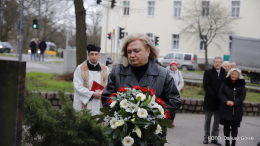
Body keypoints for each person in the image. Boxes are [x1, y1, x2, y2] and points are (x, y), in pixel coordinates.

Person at [101, 33, 182, 145]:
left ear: (148, 51)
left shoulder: (163, 74)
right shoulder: (117, 72)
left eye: (136, 51)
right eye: (129, 52)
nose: (132, 55)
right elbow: (106, 97)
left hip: (152, 136)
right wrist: (123, 113)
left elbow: (175, 101)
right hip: (123, 136)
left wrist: (150, 113)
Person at [73, 44, 110, 115]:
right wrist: (92, 94)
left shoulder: (105, 69)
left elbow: (109, 84)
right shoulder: (80, 68)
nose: (94, 56)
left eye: (96, 54)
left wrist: (102, 92)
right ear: (88, 55)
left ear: (99, 55)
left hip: (99, 100)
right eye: (92, 54)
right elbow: (77, 86)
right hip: (85, 101)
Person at [203, 56, 226, 146]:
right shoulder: (208, 72)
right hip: (210, 100)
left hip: (220, 101)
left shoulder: (225, 73)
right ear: (213, 63)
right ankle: (206, 137)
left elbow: (226, 86)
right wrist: (213, 95)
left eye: (219, 62)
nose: (217, 63)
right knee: (207, 120)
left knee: (217, 121)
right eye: (216, 62)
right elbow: (206, 85)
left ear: (221, 63)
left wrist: (221, 96)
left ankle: (214, 138)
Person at [219, 68, 246, 146]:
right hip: (226, 108)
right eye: (232, 74)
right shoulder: (225, 82)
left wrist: (234, 102)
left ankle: (233, 143)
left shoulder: (241, 83)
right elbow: (220, 93)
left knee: (234, 127)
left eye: (235, 74)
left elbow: (243, 96)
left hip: (236, 109)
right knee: (226, 126)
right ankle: (227, 143)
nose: (233, 75)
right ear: (229, 74)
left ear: (238, 75)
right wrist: (226, 101)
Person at [168, 60, 184, 127]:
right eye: (172, 65)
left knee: (174, 107)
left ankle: (171, 121)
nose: (173, 67)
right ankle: (166, 120)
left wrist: (177, 90)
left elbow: (181, 82)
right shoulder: (167, 72)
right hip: (169, 93)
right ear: (170, 66)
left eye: (175, 65)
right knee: (168, 107)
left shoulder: (179, 73)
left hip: (176, 93)